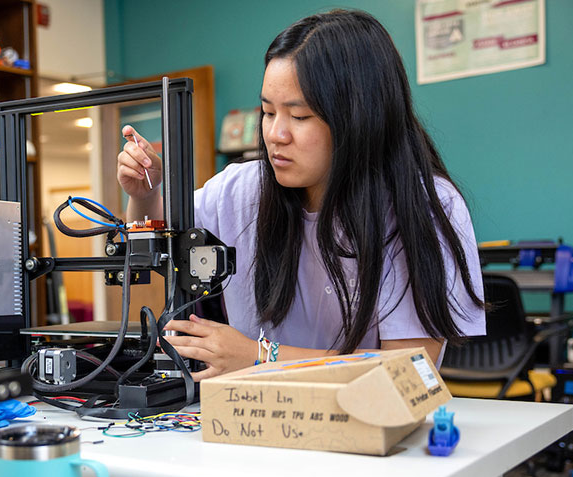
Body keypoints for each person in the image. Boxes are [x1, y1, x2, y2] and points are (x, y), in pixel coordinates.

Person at [117, 9, 485, 381]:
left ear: (358, 117)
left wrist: (259, 356)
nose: (276, 134)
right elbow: (156, 237)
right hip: (257, 418)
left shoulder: (424, 207)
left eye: (300, 116)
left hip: (372, 426)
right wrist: (146, 194)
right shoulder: (240, 189)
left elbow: (407, 373)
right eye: (267, 111)